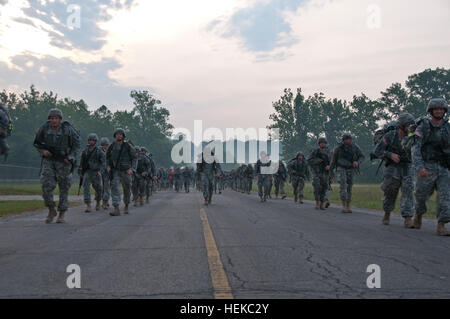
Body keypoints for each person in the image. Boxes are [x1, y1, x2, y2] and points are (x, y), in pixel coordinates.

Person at [410, 98, 450, 236]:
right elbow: (415, 148)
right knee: (421, 197)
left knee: (445, 197)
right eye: (436, 109)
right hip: (426, 167)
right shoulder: (423, 127)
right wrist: (420, 167)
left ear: (444, 111)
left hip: (444, 168)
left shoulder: (447, 127)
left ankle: (441, 225)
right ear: (431, 111)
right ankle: (418, 215)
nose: (439, 111)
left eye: (441, 109)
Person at [33, 108, 80, 224]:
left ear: (60, 119)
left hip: (64, 162)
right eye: (52, 118)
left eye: (56, 118)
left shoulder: (67, 129)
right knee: (45, 185)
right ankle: (51, 209)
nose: (54, 120)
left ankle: (62, 214)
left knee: (64, 188)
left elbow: (77, 145)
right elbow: (37, 143)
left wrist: (71, 156)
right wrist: (42, 152)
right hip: (48, 161)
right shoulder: (44, 128)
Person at [374, 113, 416, 227]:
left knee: (408, 191)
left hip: (407, 166)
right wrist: (389, 154)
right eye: (408, 125)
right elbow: (377, 151)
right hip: (392, 167)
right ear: (401, 126)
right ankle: (387, 213)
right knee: (390, 192)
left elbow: (425, 144)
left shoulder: (413, 134)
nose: (410, 128)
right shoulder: (390, 136)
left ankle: (408, 218)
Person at [330, 133, 365, 213]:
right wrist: (331, 172)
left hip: (351, 168)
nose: (348, 141)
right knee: (343, 185)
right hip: (341, 167)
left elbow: (362, 156)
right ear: (343, 140)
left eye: (349, 139)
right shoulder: (338, 148)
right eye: (346, 139)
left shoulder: (354, 147)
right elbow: (333, 160)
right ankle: (343, 204)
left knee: (349, 187)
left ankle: (348, 205)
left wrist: (357, 162)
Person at [106, 128, 137, 216]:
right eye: (117, 134)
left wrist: (132, 169)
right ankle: (116, 208)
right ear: (115, 135)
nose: (119, 135)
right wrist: (108, 166)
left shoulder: (128, 146)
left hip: (126, 171)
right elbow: (107, 158)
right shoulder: (112, 146)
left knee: (127, 188)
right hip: (115, 171)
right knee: (115, 188)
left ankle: (126, 205)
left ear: (123, 136)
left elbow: (134, 158)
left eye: (120, 134)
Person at [79, 133, 105, 213]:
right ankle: (88, 204)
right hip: (88, 172)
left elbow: (104, 162)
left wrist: (100, 171)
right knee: (86, 187)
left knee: (99, 188)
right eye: (90, 140)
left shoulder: (99, 151)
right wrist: (80, 172)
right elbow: (81, 163)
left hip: (96, 172)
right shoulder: (85, 151)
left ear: (95, 141)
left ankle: (98, 202)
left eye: (93, 140)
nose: (91, 142)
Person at [307, 138, 331, 210]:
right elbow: (309, 160)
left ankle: (322, 203)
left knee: (324, 187)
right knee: (317, 187)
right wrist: (318, 161)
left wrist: (329, 166)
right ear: (319, 144)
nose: (323, 144)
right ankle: (317, 202)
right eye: (321, 143)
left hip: (325, 172)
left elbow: (333, 161)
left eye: (324, 143)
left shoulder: (329, 152)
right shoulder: (315, 151)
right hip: (316, 172)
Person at [100, 137, 111, 209]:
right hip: (100, 172)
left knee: (106, 187)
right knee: (100, 188)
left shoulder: (111, 152)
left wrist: (110, 167)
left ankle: (105, 201)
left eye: (106, 145)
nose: (105, 146)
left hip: (107, 173)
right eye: (104, 145)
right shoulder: (98, 151)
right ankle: (101, 201)